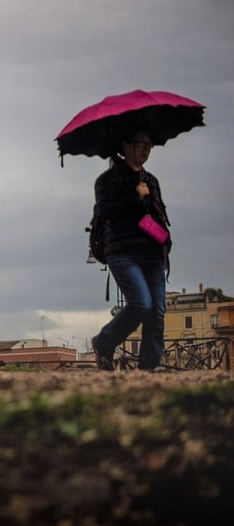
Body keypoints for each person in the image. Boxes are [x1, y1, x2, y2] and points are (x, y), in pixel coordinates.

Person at [91, 129, 171, 371]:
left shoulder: (151, 180)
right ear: (125, 146)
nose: (146, 149)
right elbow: (105, 213)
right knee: (141, 304)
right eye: (141, 144)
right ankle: (103, 342)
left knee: (157, 310)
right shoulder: (107, 180)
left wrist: (165, 240)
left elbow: (156, 214)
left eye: (150, 145)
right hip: (123, 251)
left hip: (152, 252)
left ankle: (148, 367)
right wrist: (134, 196)